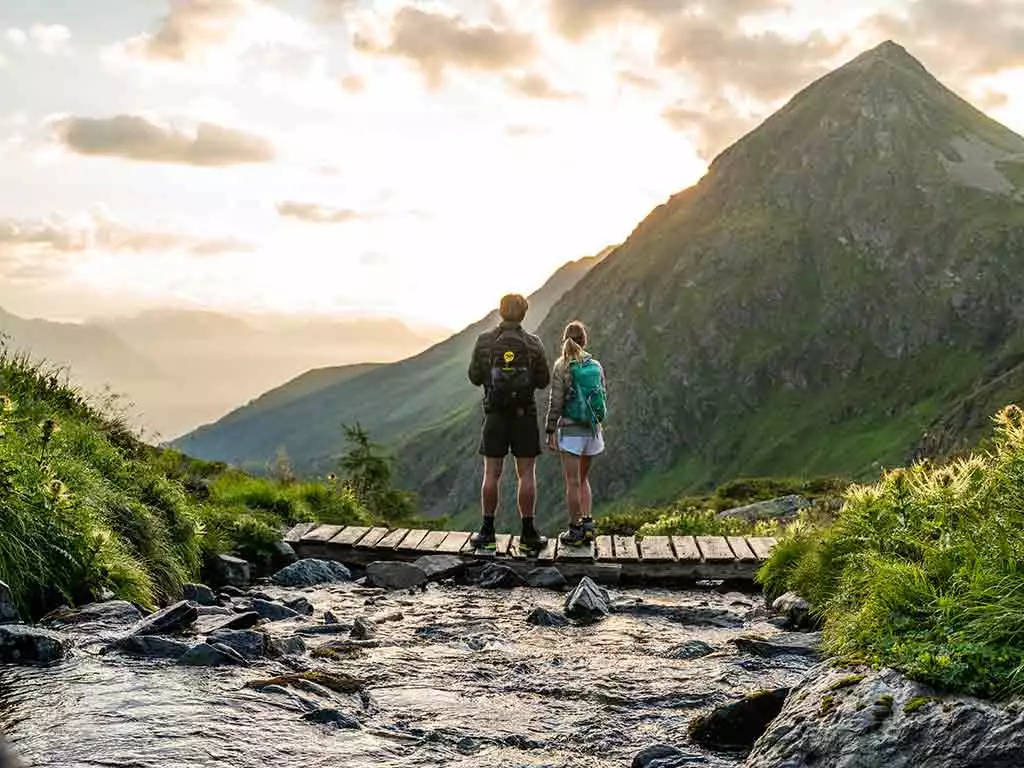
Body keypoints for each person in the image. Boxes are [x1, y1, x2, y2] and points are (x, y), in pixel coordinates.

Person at [467, 294, 551, 552]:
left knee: (491, 473)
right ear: (524, 314)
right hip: (524, 415)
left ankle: (487, 532)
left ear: (500, 312)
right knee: (526, 474)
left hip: (495, 415)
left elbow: (474, 376)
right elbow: (543, 380)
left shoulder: (484, 341)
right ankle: (528, 534)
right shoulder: (533, 343)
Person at [545, 321, 607, 546]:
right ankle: (588, 525)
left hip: (570, 432)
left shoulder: (562, 366)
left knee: (571, 482)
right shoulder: (596, 366)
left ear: (565, 340)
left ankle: (574, 531)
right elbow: (603, 395)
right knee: (583, 479)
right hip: (592, 430)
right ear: (585, 341)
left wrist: (550, 428)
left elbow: (556, 402)